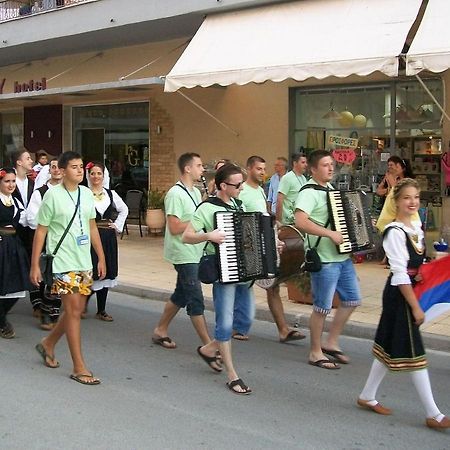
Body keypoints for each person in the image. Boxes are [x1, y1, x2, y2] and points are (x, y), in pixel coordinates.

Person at [358, 178, 450, 430]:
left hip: (409, 288)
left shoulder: (416, 227)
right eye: (407, 198)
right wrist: (416, 306)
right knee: (415, 352)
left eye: (416, 198)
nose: (413, 202)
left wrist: (422, 272)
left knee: (389, 345)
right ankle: (434, 413)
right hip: (400, 294)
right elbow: (399, 274)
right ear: (396, 201)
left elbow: (412, 267)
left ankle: (367, 395)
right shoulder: (395, 232)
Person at [30, 151, 106, 385]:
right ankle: (79, 367)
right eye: (74, 167)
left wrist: (101, 257)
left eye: (81, 166)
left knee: (77, 309)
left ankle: (48, 343)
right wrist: (34, 265)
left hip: (83, 261)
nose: (79, 170)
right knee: (73, 311)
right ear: (62, 171)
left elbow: (92, 226)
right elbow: (41, 230)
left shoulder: (85, 193)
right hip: (62, 261)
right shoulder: (52, 196)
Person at [183, 163, 254, 395]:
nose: (242, 188)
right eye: (238, 185)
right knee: (224, 322)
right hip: (222, 269)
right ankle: (232, 374)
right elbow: (187, 237)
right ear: (223, 186)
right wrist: (208, 235)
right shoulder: (206, 208)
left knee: (245, 320)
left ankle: (208, 349)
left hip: (242, 270)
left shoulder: (237, 205)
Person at [295, 149, 361, 369]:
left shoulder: (331, 189)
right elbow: (300, 222)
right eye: (325, 165)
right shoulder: (308, 192)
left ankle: (331, 342)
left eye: (331, 164)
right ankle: (315, 352)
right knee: (322, 307)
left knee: (352, 299)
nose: (331, 168)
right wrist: (329, 234)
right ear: (313, 169)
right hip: (324, 258)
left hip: (341, 256)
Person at [152, 153, 217, 356]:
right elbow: (174, 226)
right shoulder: (175, 194)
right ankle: (209, 346)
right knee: (195, 299)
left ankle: (160, 330)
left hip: (194, 250)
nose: (202, 169)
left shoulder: (196, 193)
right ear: (187, 169)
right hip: (183, 252)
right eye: (198, 165)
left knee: (181, 294)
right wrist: (196, 224)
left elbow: (196, 216)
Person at [235, 155, 305, 343]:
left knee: (272, 285)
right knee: (240, 287)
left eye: (264, 169)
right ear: (249, 169)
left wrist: (276, 233)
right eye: (259, 169)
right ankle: (234, 327)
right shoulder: (242, 191)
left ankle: (283, 330)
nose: (263, 173)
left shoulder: (260, 190)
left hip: (264, 244)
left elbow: (265, 216)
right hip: (249, 248)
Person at [85, 161, 128, 322]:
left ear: (104, 176)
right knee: (91, 270)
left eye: (99, 173)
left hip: (107, 237)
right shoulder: (84, 193)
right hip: (91, 236)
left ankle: (101, 309)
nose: (96, 176)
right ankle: (83, 303)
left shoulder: (111, 194)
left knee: (106, 271)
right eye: (93, 173)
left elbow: (124, 209)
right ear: (88, 176)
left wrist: (117, 226)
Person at [27, 157, 63, 330]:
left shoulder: (70, 192)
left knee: (57, 274)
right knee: (44, 273)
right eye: (53, 167)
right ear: (49, 170)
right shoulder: (39, 192)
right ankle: (42, 307)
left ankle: (52, 309)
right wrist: (49, 225)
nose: (56, 170)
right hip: (45, 238)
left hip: (63, 241)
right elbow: (32, 218)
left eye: (59, 167)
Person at [10, 148, 42, 316]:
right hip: (12, 230)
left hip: (29, 230)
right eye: (28, 158)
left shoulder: (33, 183)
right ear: (19, 162)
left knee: (32, 261)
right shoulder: (9, 180)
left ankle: (36, 301)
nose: (31, 161)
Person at [0, 168, 31, 338]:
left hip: (13, 246)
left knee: (16, 286)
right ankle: (2, 322)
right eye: (7, 181)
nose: (11, 184)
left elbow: (29, 220)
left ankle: (1, 317)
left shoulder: (17, 202)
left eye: (13, 181)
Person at [375, 156, 419, 233]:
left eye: (392, 165)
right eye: (388, 165)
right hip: (389, 210)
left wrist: (392, 187)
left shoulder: (408, 181)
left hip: (402, 215)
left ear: (402, 168)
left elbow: (399, 192)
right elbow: (379, 191)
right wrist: (388, 190)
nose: (390, 168)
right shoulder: (389, 177)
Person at [276, 153, 307, 225]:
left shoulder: (303, 178)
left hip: (299, 220)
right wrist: (278, 221)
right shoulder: (287, 178)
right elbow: (280, 200)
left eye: (306, 162)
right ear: (295, 163)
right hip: (287, 221)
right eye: (303, 162)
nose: (306, 165)